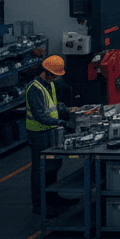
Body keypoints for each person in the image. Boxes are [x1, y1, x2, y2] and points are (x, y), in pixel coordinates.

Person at [26, 56, 77, 215]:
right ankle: (39, 205)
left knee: (53, 166)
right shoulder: (34, 89)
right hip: (39, 134)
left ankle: (53, 199)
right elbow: (40, 115)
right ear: (46, 72)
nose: (56, 78)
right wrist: (61, 123)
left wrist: (70, 111)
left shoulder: (49, 85)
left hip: (51, 131)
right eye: (54, 75)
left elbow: (55, 105)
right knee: (40, 170)